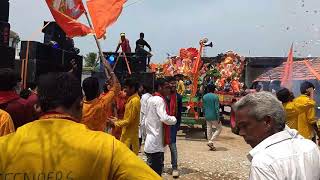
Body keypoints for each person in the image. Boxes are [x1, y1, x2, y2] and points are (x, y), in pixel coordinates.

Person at [0, 72, 160, 179]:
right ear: (79, 105)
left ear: (38, 107)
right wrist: (112, 74)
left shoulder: (4, 147)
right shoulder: (107, 148)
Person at [233, 91, 320, 180]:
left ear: (267, 122)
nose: (241, 133)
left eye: (244, 126)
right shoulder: (311, 147)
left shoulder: (263, 163)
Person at [144, 78, 177, 176]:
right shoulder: (159, 100)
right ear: (159, 88)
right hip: (156, 144)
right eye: (166, 88)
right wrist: (174, 119)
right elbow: (164, 118)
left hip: (150, 142)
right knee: (156, 174)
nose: (168, 90)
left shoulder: (151, 99)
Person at [82, 59, 121, 132]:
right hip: (99, 140)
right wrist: (110, 69)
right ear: (97, 90)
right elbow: (117, 87)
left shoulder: (79, 106)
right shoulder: (102, 103)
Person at [108, 78, 141, 155]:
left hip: (130, 140)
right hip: (127, 137)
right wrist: (117, 120)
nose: (124, 90)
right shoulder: (131, 100)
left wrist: (115, 123)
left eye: (126, 87)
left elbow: (129, 120)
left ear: (132, 88)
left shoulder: (134, 101)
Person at [167, 77, 182, 178]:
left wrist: (177, 125)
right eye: (171, 83)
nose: (172, 85)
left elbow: (179, 113)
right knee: (161, 146)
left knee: (173, 146)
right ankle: (160, 165)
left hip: (173, 124)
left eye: (174, 83)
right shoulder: (164, 96)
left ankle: (175, 167)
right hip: (164, 123)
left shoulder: (179, 97)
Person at [203, 84, 222, 151]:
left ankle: (210, 142)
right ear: (214, 89)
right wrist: (218, 116)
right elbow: (217, 108)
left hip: (207, 115)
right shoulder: (215, 97)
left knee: (209, 128)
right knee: (219, 128)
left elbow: (204, 107)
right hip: (214, 115)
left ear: (208, 89)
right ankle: (211, 141)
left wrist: (204, 115)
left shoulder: (204, 96)